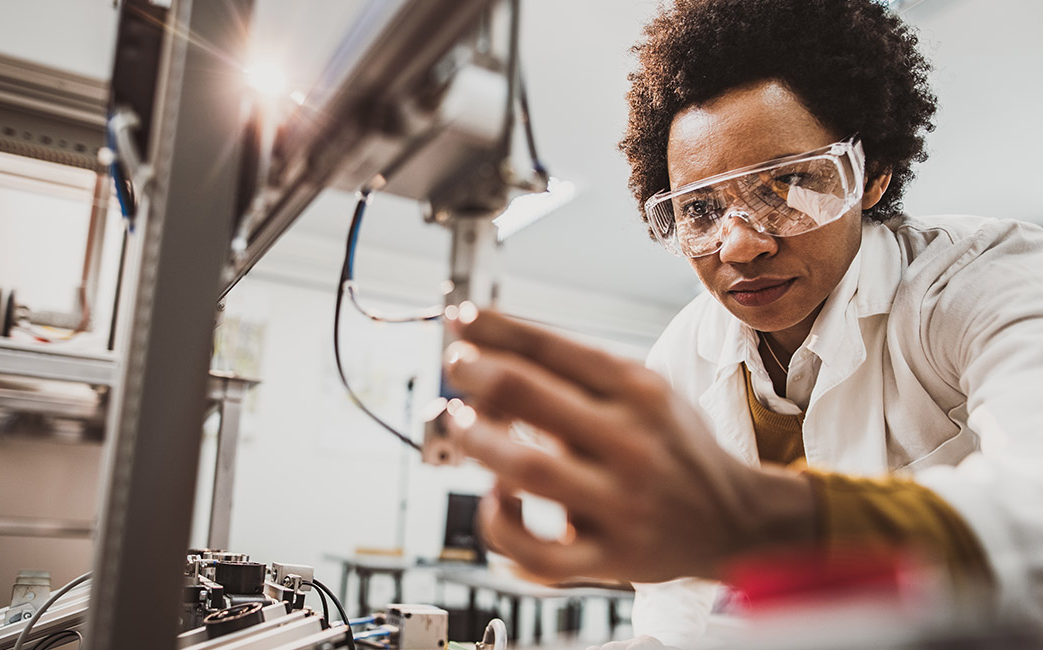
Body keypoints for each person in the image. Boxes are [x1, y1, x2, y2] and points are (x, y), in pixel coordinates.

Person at [440, 0, 1043, 646]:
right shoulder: (685, 354)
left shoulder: (983, 282)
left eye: (785, 185)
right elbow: (677, 614)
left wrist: (756, 518)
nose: (738, 245)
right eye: (700, 208)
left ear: (871, 174)